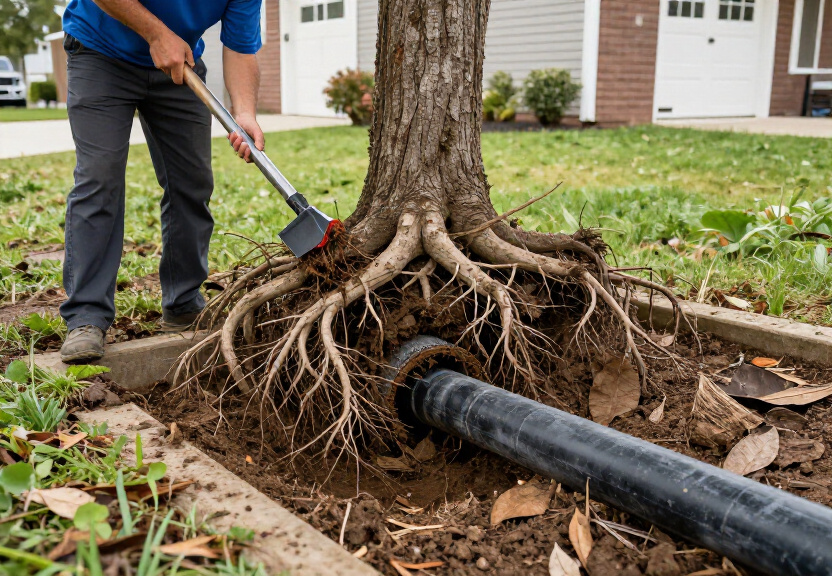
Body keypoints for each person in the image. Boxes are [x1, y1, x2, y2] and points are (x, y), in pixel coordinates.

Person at [59, 0, 264, 363]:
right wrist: (157, 34)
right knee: (99, 178)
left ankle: (183, 303)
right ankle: (86, 316)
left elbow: (240, 47)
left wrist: (244, 112)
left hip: (178, 66)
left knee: (192, 183)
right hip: (100, 51)